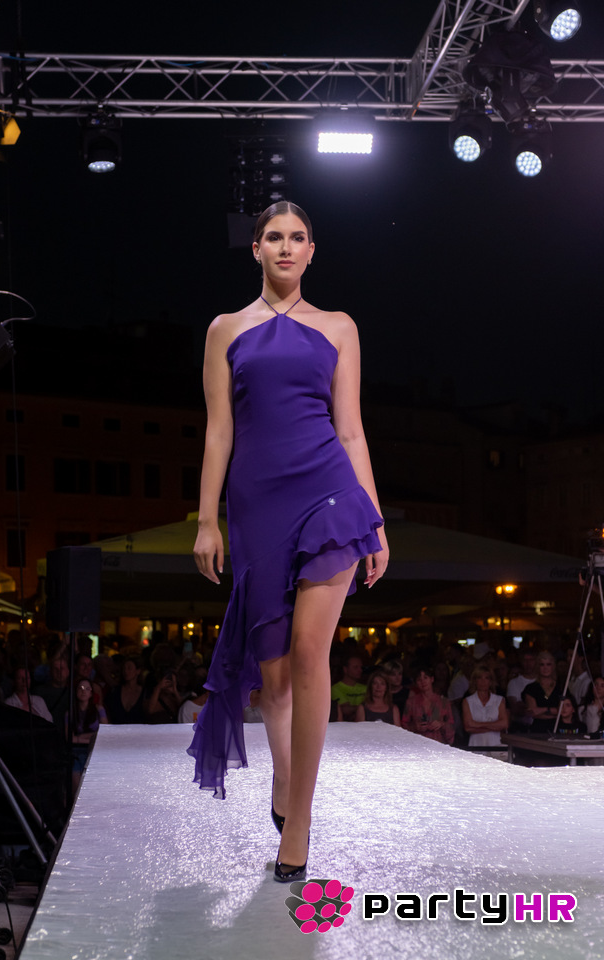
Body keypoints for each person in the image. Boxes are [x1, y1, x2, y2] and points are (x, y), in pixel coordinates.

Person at [189, 201, 388, 883]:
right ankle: (284, 778)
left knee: (308, 651)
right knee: (273, 680)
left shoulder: (339, 327)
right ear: (255, 249)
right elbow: (218, 430)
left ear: (311, 251)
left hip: (328, 492)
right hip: (256, 503)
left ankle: (298, 820)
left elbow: (351, 429)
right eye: (273, 237)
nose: (285, 247)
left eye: (297, 237)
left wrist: (374, 520)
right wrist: (206, 520)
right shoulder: (225, 329)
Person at [401, 665, 454, 745]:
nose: (423, 682)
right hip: (417, 744)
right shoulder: (411, 702)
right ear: (416, 683)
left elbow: (451, 725)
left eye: (425, 678)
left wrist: (441, 724)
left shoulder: (444, 702)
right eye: (419, 679)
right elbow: (403, 725)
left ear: (432, 679)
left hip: (438, 744)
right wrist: (414, 727)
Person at [462, 666, 508, 749]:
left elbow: (504, 724)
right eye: (479, 678)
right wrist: (494, 726)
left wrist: (476, 724)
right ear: (475, 681)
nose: (483, 681)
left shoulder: (499, 700)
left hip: (496, 744)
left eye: (486, 678)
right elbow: (468, 727)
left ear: (491, 681)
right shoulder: (468, 701)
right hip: (476, 744)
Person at [523, 651, 561, 733]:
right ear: (537, 667)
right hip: (538, 729)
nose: (545, 668)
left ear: (553, 666)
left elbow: (564, 710)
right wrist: (555, 712)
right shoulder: (531, 688)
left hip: (559, 728)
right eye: (542, 664)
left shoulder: (561, 687)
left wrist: (543, 709)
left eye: (548, 664)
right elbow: (533, 712)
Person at [331, 655, 367, 721]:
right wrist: (363, 709)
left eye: (361, 667)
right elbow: (345, 710)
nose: (360, 670)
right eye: (355, 667)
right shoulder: (335, 689)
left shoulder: (366, 688)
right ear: (345, 669)